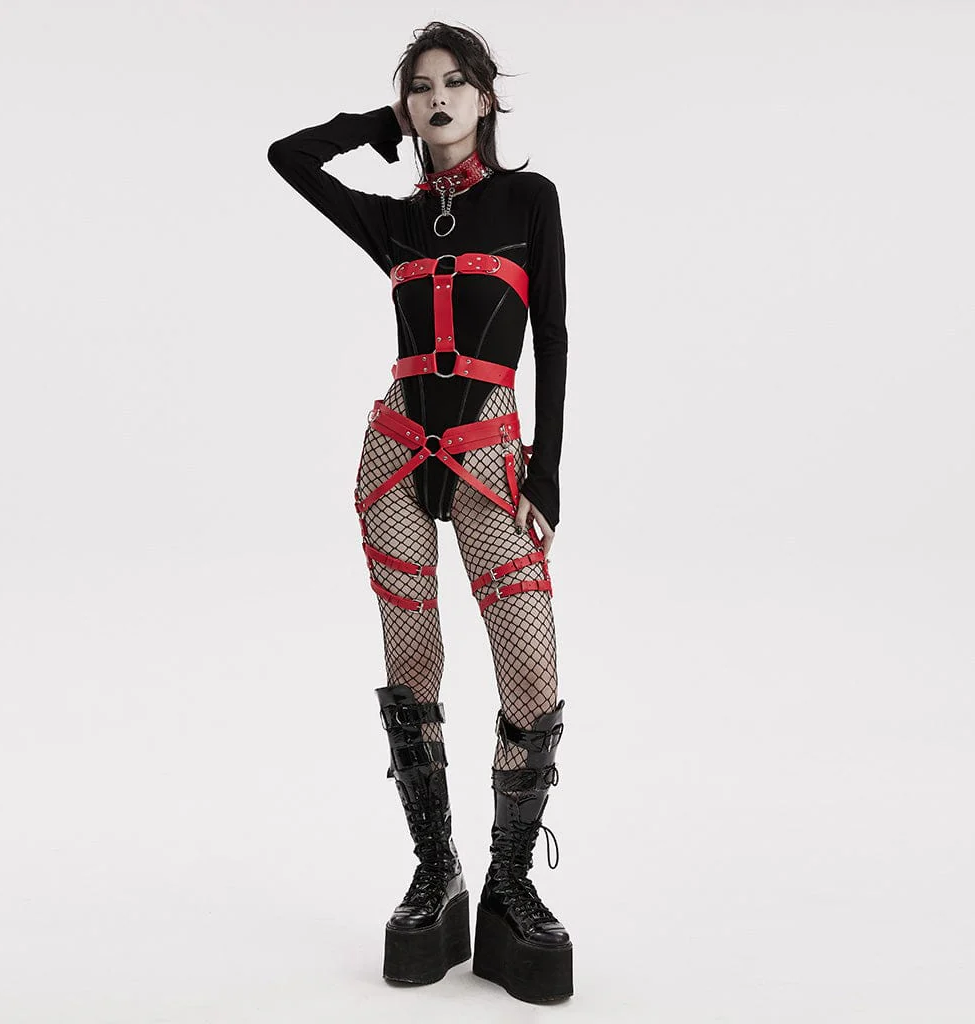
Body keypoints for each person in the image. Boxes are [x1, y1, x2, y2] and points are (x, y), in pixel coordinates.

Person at [266, 21, 571, 1004]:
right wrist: (377, 122)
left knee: (530, 671)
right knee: (412, 666)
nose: (438, 98)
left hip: (489, 455)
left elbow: (554, 335)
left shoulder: (529, 200)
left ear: (485, 97)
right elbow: (287, 157)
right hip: (395, 455)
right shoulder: (394, 224)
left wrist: (546, 473)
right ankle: (436, 874)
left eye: (454, 83)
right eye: (421, 86)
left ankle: (511, 886)